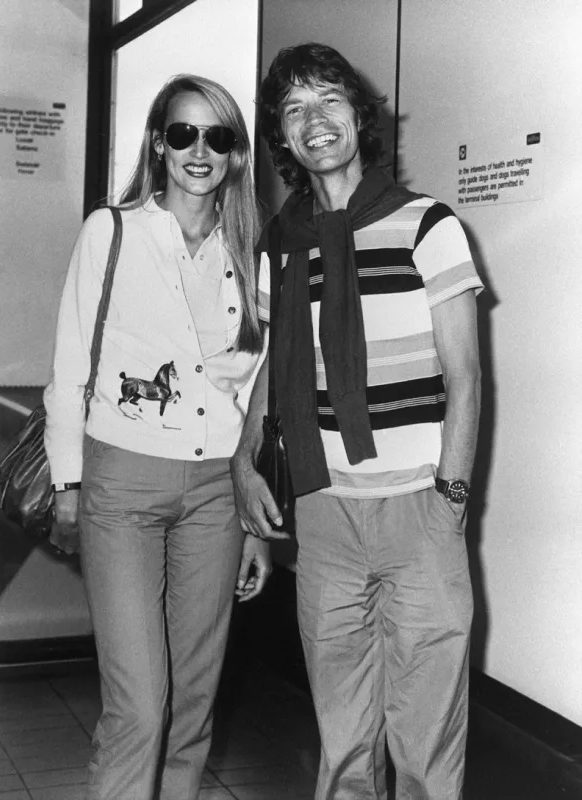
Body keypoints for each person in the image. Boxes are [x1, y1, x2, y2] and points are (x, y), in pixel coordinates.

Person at [231, 43, 483, 800]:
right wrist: (244, 471)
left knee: (426, 745)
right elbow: (270, 380)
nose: (315, 119)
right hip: (325, 511)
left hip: (419, 510)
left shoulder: (427, 225)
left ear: (359, 115)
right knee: (341, 741)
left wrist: (451, 501)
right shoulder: (282, 245)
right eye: (294, 107)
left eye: (329, 99)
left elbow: (466, 379)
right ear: (282, 135)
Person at [44, 74, 271, 800]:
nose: (199, 151)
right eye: (183, 133)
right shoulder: (113, 231)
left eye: (218, 136)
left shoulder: (255, 255)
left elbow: (254, 394)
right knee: (139, 703)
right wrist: (68, 482)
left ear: (236, 154)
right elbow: (69, 365)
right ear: (158, 142)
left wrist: (255, 518)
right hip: (123, 484)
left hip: (217, 493)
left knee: (194, 704)